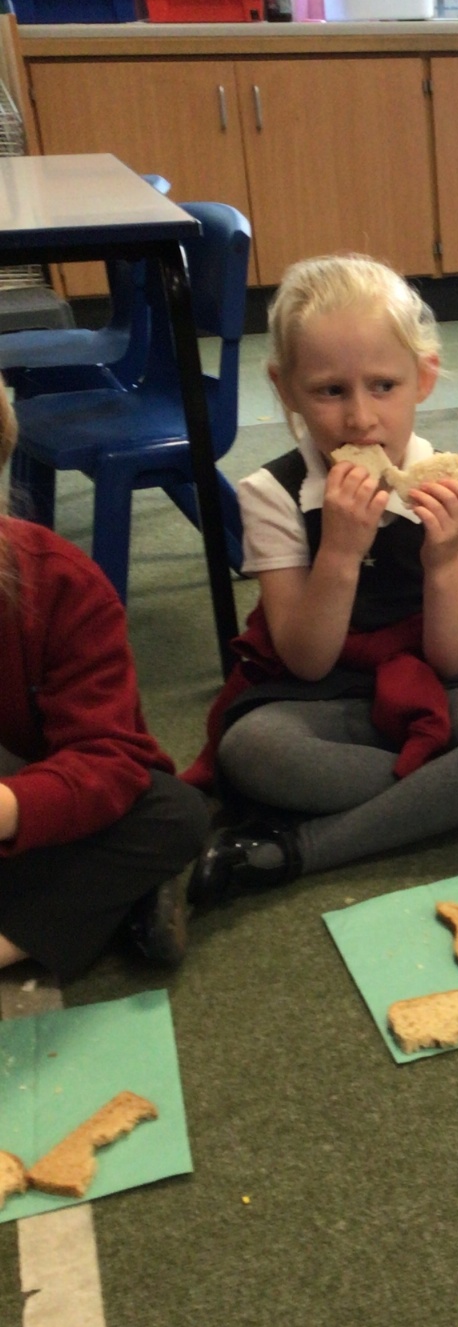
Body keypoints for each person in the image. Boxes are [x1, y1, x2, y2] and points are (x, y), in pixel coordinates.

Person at [187, 254, 458, 908]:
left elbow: (456, 659)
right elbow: (306, 662)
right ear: (285, 389)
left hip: (437, 683)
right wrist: (340, 552)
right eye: (329, 391)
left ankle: (297, 850)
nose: (360, 418)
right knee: (252, 751)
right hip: (322, 696)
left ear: (424, 377)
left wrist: (442, 561)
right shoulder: (272, 494)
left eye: (384, 386)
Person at [0, 391, 210, 980]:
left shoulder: (58, 583)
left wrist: (10, 808)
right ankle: (114, 901)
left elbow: (111, 760)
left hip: (33, 804)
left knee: (172, 813)